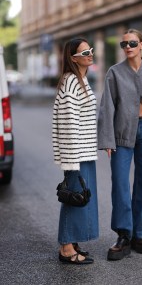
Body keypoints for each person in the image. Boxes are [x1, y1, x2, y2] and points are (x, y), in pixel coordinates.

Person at [98, 29, 142, 261]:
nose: (127, 46)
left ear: (141, 45)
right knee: (120, 183)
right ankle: (123, 234)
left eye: (132, 43)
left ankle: (140, 234)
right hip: (121, 134)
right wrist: (107, 139)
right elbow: (107, 107)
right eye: (123, 43)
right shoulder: (114, 73)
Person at [52, 38, 99, 265]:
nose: (91, 54)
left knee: (80, 197)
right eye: (85, 52)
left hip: (84, 151)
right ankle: (66, 248)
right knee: (73, 197)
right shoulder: (72, 81)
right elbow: (69, 123)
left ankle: (73, 241)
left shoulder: (81, 79)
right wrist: (71, 160)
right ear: (73, 58)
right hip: (76, 153)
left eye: (91, 50)